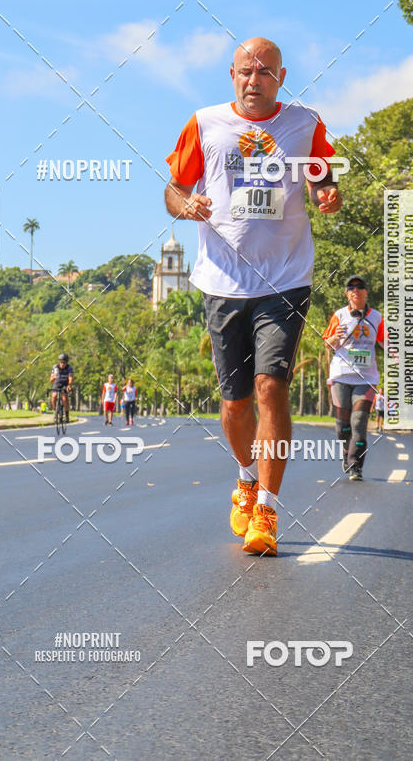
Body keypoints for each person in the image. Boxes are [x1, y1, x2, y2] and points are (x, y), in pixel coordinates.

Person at [164, 36, 341, 556]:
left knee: (270, 388)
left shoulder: (305, 123)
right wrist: (186, 204)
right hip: (221, 280)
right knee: (235, 402)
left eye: (264, 71)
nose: (253, 79)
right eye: (245, 70)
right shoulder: (205, 123)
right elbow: (173, 188)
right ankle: (245, 477)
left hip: (285, 278)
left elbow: (323, 176)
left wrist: (326, 193)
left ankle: (266, 508)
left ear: (280, 78)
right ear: (232, 74)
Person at [323, 276, 385, 480]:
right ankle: (345, 453)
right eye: (351, 287)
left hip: (366, 378)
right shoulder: (339, 315)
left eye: (360, 287)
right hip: (341, 375)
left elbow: (386, 342)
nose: (355, 290)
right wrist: (334, 339)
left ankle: (355, 466)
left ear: (367, 292)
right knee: (343, 427)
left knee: (358, 422)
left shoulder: (376, 317)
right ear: (346, 293)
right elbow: (328, 344)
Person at [50, 353, 74, 423]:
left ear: (66, 362)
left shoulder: (69, 368)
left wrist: (69, 385)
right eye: (61, 362)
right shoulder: (55, 367)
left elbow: (70, 377)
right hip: (57, 383)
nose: (62, 364)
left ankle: (66, 415)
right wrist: (54, 376)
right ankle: (56, 412)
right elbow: (50, 379)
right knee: (54, 396)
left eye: (64, 362)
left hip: (65, 384)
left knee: (64, 398)